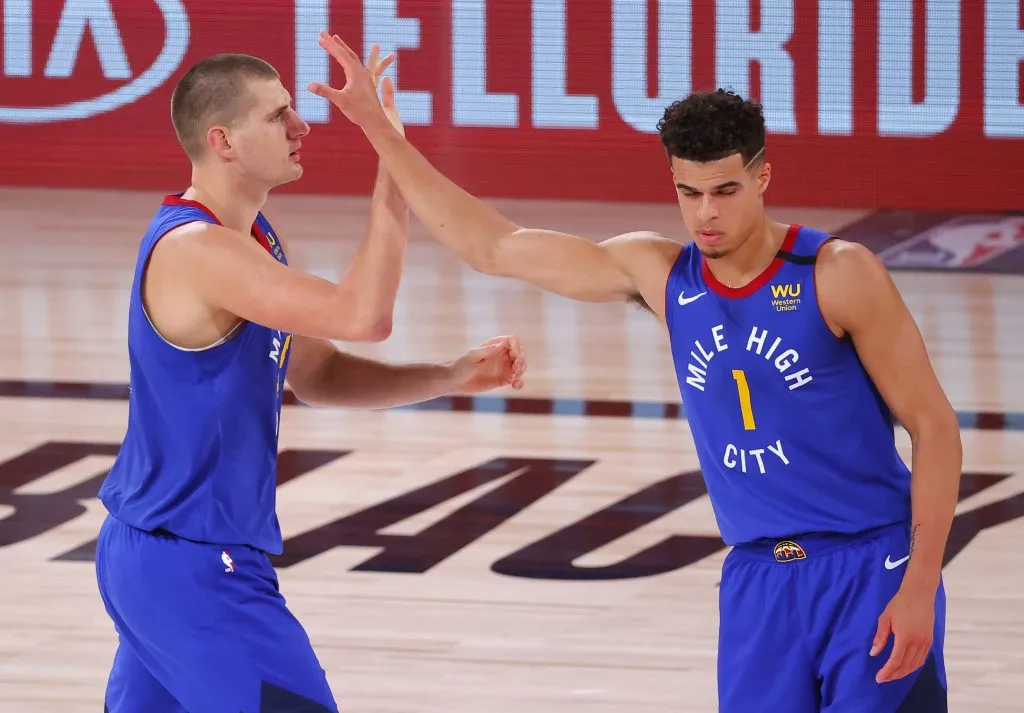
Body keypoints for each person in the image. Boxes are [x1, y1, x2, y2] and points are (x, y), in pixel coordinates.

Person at [306, 31, 963, 713]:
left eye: (725, 190)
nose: (706, 212)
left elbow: (936, 428)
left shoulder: (837, 273)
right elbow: (494, 246)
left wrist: (920, 584)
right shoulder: (661, 274)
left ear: (763, 177)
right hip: (756, 581)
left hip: (870, 567)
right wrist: (381, 133)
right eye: (689, 192)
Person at [94, 48, 526, 713]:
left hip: (157, 557)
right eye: (279, 115)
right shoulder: (197, 250)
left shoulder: (255, 237)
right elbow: (365, 314)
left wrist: (447, 374)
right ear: (224, 142)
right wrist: (391, 159)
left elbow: (316, 372)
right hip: (197, 569)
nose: (302, 125)